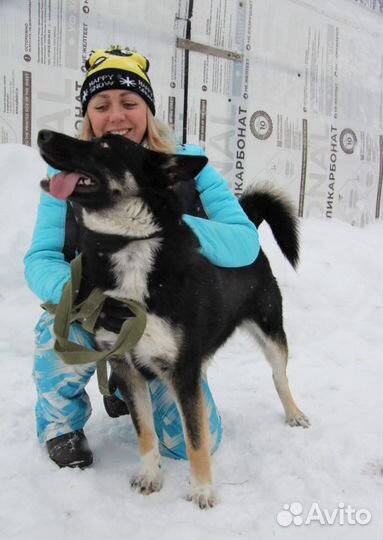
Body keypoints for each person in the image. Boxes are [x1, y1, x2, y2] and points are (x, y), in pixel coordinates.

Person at [24, 47, 260, 469]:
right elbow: (41, 257)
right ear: (89, 116)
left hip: (166, 318)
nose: (116, 115)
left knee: (190, 445)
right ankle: (61, 423)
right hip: (99, 311)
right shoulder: (69, 177)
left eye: (129, 103)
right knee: (56, 326)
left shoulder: (186, 165)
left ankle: (124, 383)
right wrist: (83, 296)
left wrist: (162, 222)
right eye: (102, 105)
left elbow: (244, 244)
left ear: (148, 110)